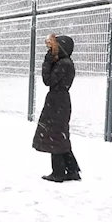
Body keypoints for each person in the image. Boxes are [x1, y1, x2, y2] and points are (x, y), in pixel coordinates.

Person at [32, 34, 81, 182]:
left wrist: (47, 62)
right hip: (59, 101)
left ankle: (58, 172)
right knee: (60, 135)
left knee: (55, 136)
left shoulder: (63, 64)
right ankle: (72, 170)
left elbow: (48, 80)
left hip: (57, 101)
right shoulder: (66, 62)